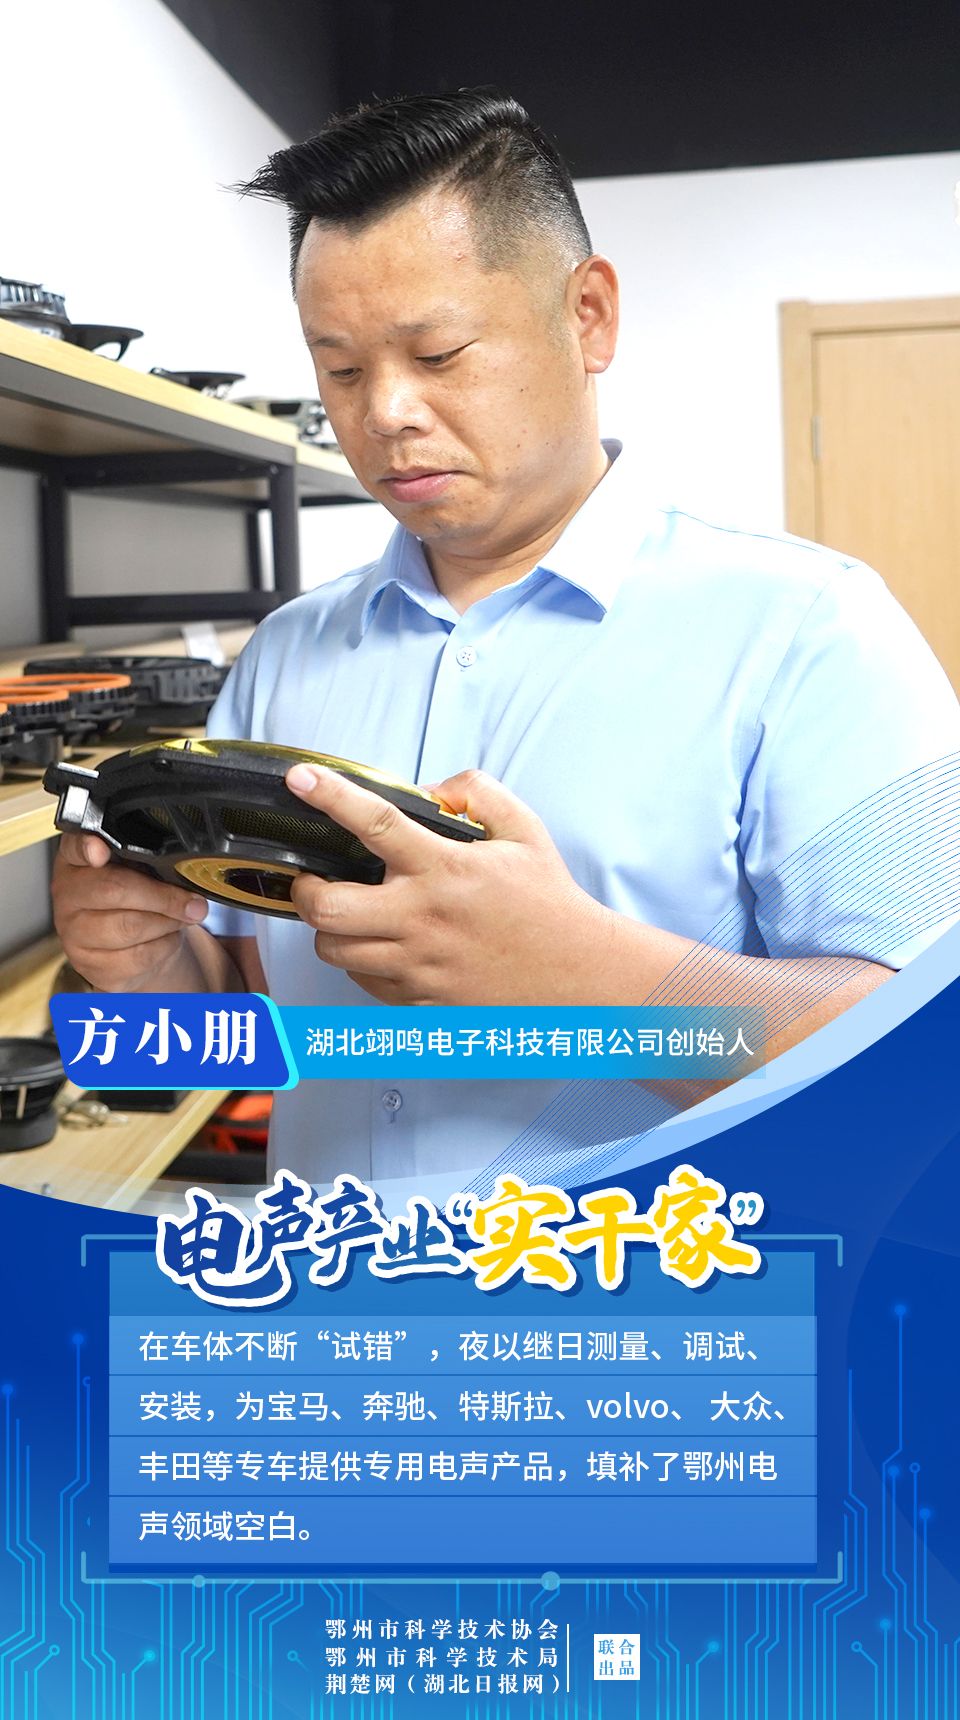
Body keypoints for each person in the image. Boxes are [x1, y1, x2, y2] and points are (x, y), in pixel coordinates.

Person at [51, 90, 960, 1190]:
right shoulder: (287, 655)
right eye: (341, 368)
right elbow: (255, 1029)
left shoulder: (808, 632)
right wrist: (148, 966)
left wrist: (583, 974)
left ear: (590, 317)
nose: (384, 411)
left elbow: (920, 1067)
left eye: (438, 353)